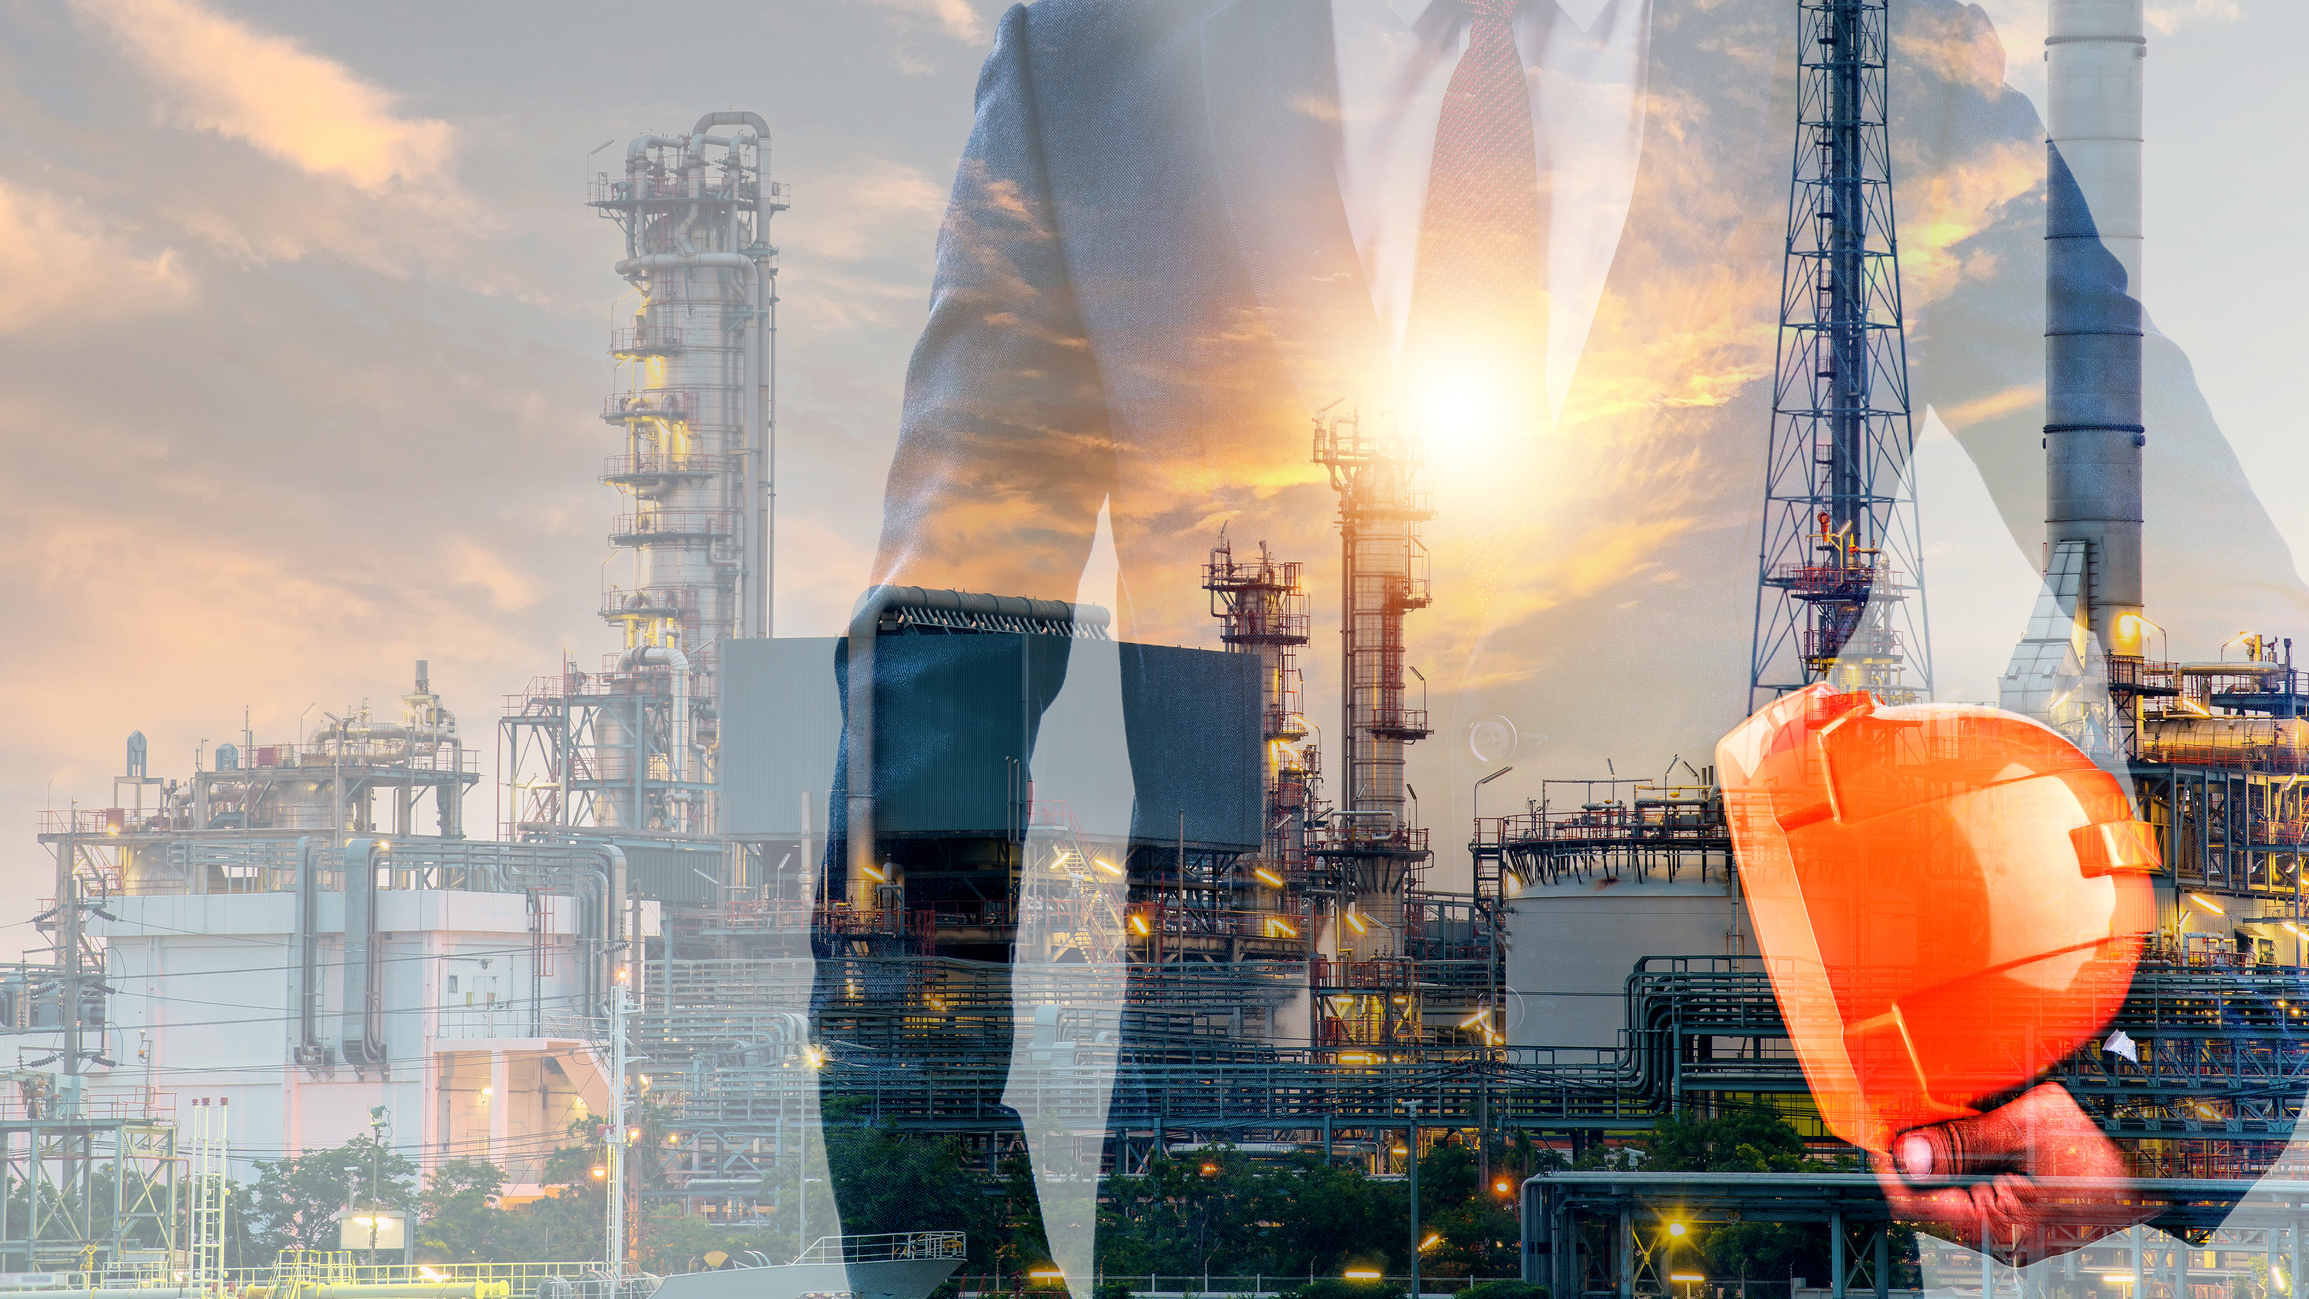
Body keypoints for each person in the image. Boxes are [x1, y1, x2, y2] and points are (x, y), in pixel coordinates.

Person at [832, 0, 2309, 1269]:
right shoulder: (1093, 44)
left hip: (1791, 1163)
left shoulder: (1868, 31)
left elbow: (2198, 572)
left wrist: (2160, 1106)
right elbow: (949, 638)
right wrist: (937, 1211)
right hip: (1241, 1169)